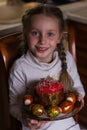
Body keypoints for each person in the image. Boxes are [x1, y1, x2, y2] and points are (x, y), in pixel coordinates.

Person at [9, 3, 85, 130]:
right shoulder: (20, 68)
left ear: (60, 37)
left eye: (50, 34)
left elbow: (78, 87)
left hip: (68, 126)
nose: (42, 41)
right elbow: (14, 106)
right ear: (25, 33)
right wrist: (26, 119)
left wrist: (79, 96)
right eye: (35, 33)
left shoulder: (66, 58)